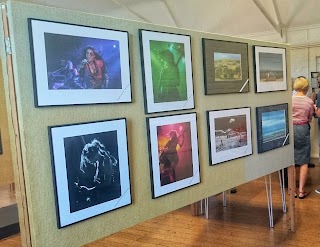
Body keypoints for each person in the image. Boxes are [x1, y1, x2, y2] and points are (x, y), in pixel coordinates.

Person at [292, 76, 315, 199]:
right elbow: (310, 118)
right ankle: (301, 191)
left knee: (290, 160)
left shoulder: (290, 99)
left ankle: (292, 189)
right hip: (302, 129)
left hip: (290, 129)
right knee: (304, 160)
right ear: (306, 87)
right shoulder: (309, 102)